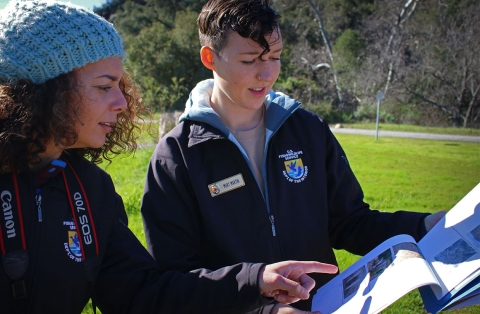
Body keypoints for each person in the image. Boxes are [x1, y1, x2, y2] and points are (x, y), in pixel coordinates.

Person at [0, 1, 339, 313]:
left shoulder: (90, 189)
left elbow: (143, 295)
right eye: (105, 86)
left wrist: (256, 282)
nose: (122, 103)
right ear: (42, 92)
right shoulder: (174, 155)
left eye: (120, 85)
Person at [140, 0, 446, 313]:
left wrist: (424, 226)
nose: (267, 73)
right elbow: (175, 281)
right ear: (210, 58)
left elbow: (349, 222)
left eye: (275, 57)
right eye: (249, 61)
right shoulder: (176, 156)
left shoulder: (307, 129)